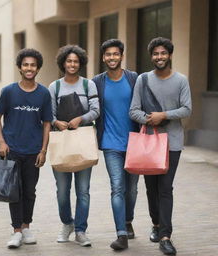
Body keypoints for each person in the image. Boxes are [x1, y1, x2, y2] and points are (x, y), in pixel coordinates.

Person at [129, 37, 192, 255]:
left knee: (165, 189)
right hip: (148, 143)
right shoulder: (143, 80)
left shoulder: (181, 80)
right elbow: (133, 110)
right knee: (151, 188)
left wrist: (164, 115)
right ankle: (156, 224)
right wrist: (149, 119)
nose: (159, 57)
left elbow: (187, 109)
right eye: (155, 54)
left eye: (163, 53)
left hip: (172, 143)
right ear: (151, 57)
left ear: (170, 55)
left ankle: (165, 235)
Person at [0, 48, 53, 249]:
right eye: (25, 64)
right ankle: (17, 230)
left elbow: (46, 123)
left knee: (30, 191)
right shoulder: (9, 91)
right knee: (14, 191)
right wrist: (2, 142)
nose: (29, 68)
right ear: (20, 67)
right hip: (11, 150)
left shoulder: (44, 93)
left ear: (38, 68)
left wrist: (43, 150)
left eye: (33, 65)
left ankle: (27, 226)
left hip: (33, 151)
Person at [48, 45, 100, 247]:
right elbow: (49, 115)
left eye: (76, 61)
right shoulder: (55, 87)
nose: (72, 64)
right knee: (62, 191)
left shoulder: (89, 85)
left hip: (83, 140)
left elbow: (96, 110)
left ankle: (80, 230)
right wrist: (55, 122)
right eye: (69, 61)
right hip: (61, 142)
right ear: (63, 63)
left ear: (81, 63)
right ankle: (66, 223)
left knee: (83, 191)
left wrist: (81, 118)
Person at [92, 39, 139, 251]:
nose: (112, 57)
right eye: (108, 54)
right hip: (110, 143)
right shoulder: (97, 82)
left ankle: (128, 220)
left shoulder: (134, 78)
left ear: (121, 56)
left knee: (132, 188)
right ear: (103, 57)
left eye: (115, 54)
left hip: (135, 143)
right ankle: (121, 233)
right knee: (117, 187)